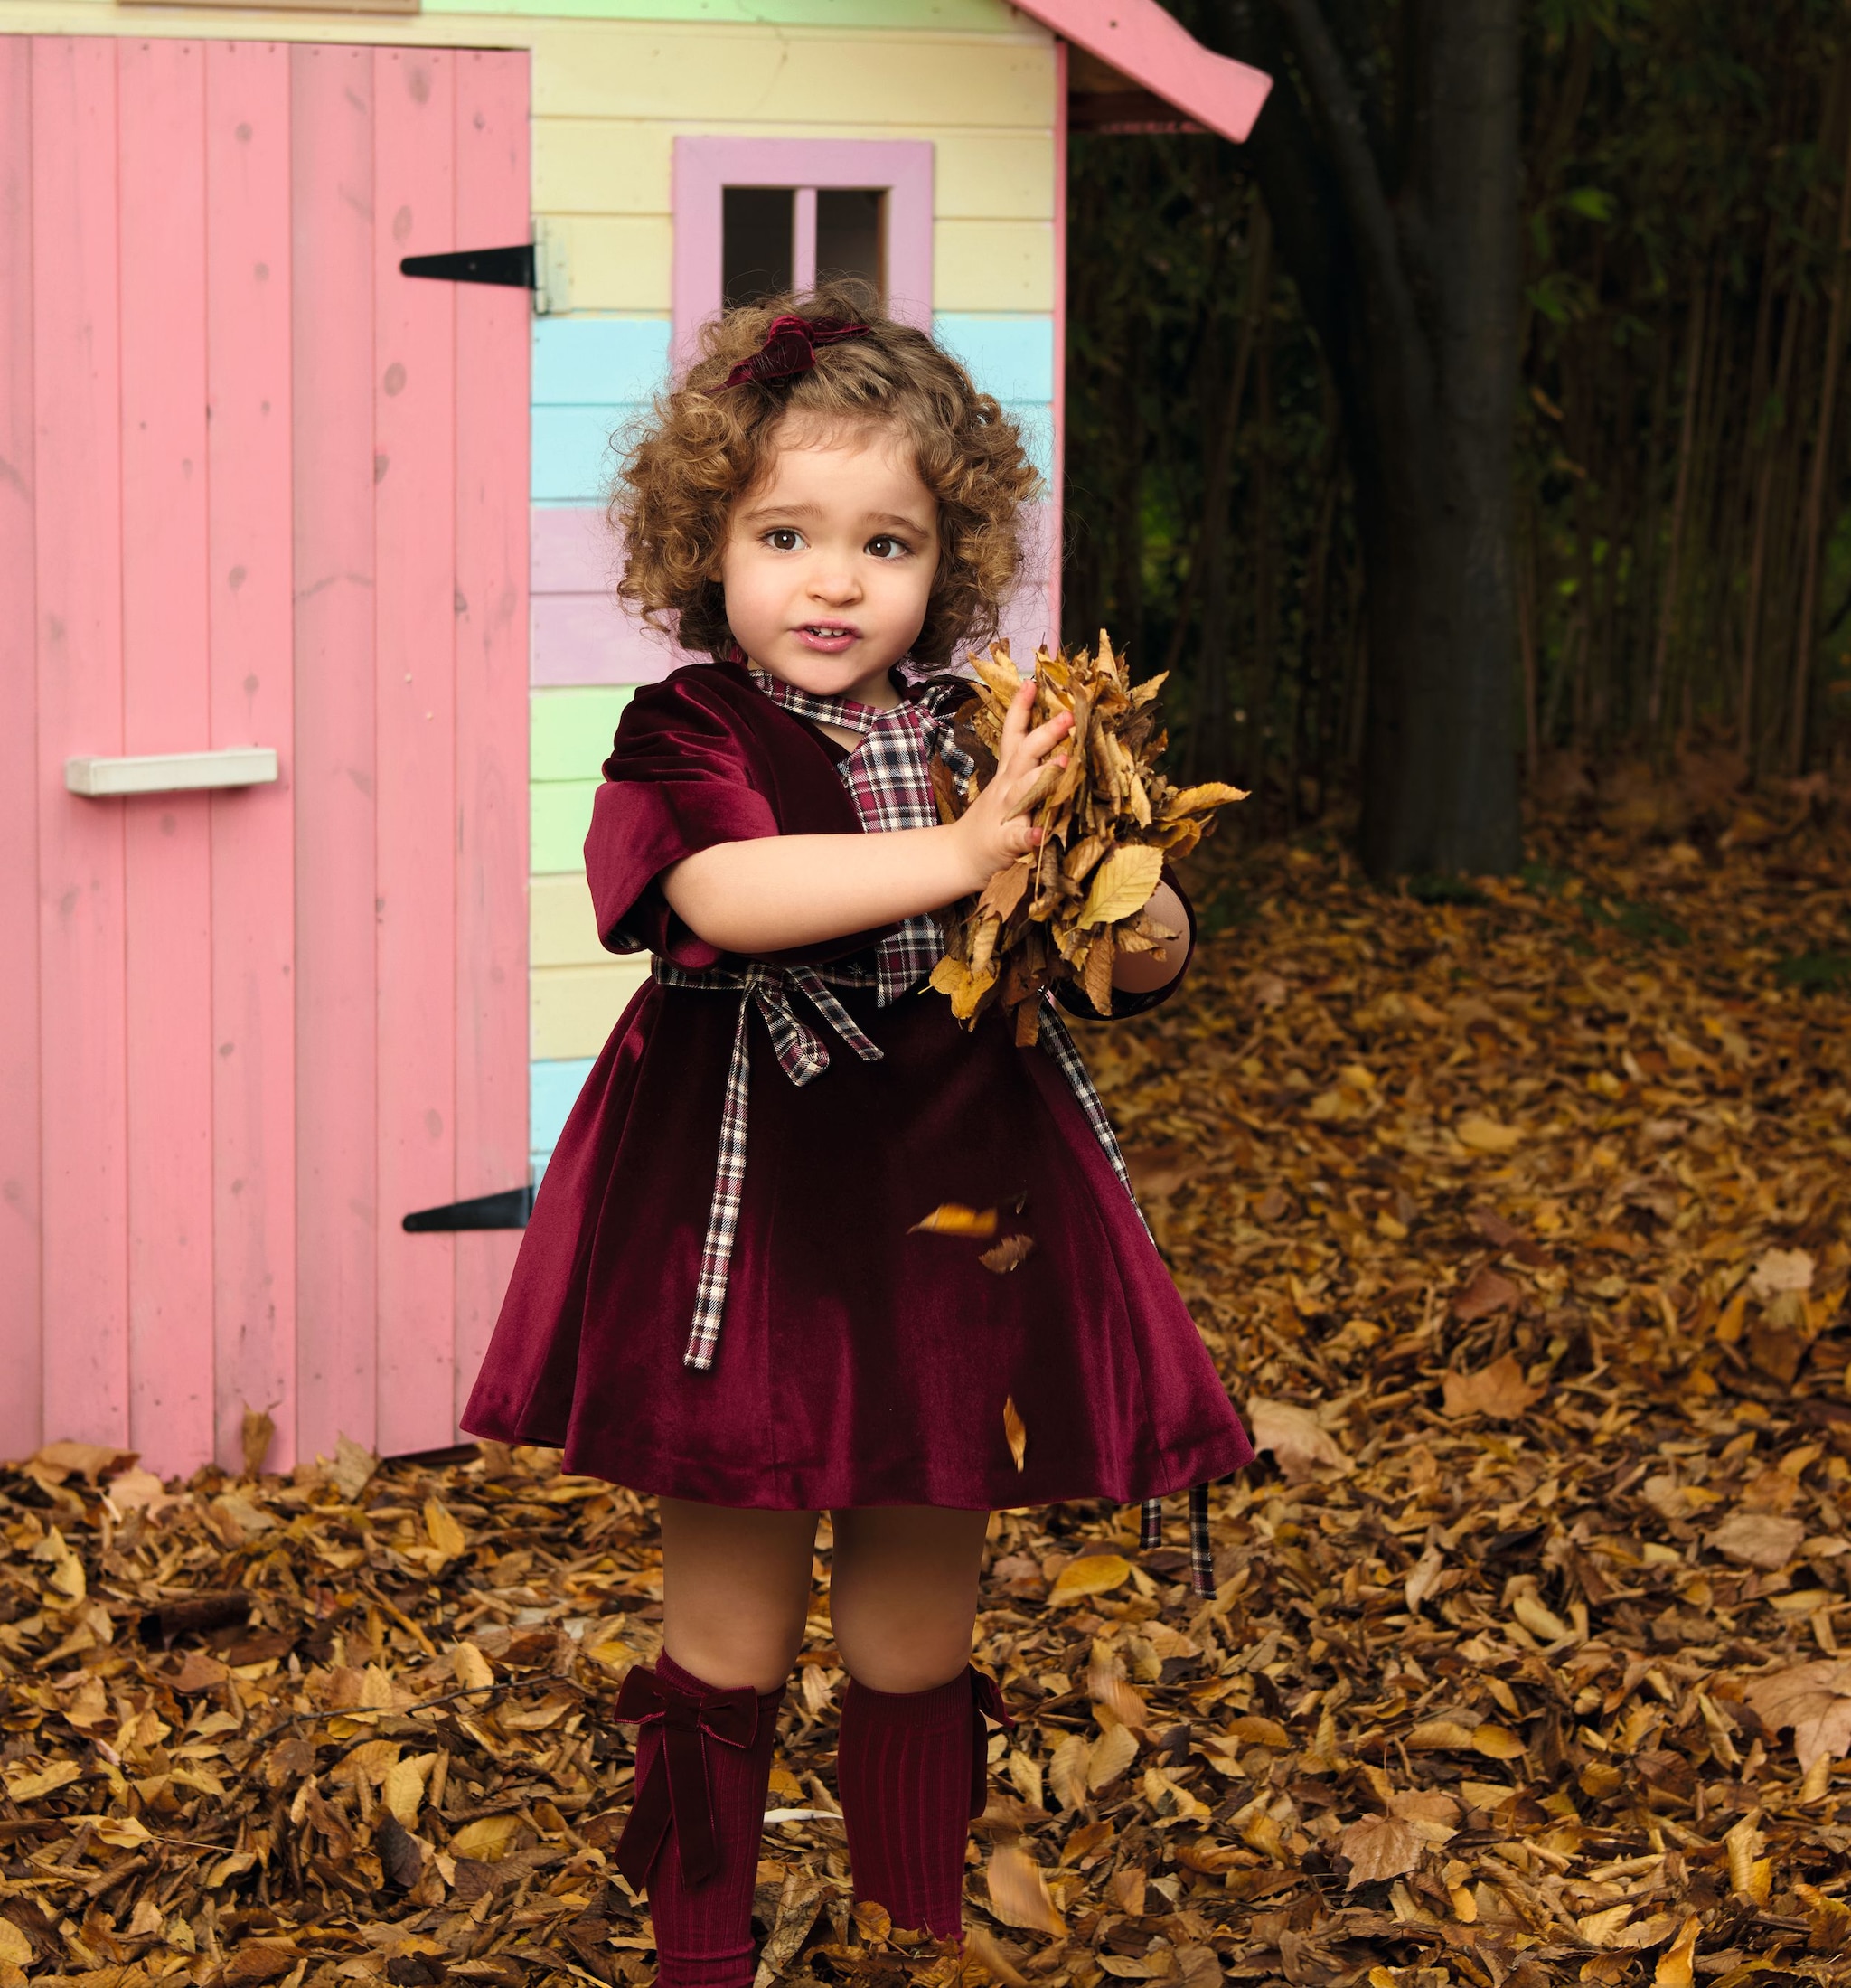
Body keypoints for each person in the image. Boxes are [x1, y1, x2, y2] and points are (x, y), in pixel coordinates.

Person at [462, 287, 1252, 1987]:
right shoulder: (690, 730)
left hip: (961, 1210)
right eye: (786, 533)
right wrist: (968, 854)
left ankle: (915, 1933)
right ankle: (697, 1950)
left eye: (885, 543)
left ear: (944, 566)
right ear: (708, 545)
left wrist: (1138, 914)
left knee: (915, 1611)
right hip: (752, 1222)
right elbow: (729, 896)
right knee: (732, 1617)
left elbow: (1100, 950)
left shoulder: (987, 734)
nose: (834, 580)